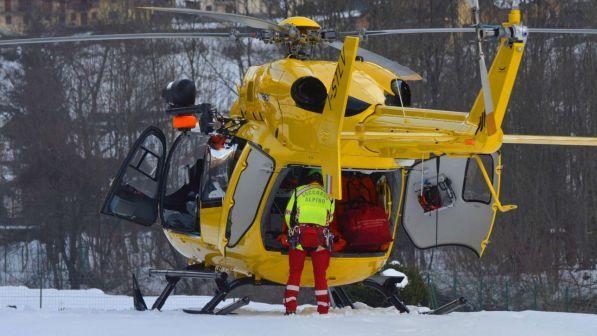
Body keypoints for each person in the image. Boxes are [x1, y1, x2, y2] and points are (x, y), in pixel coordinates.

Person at [283, 168, 335, 315]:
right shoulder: (330, 194)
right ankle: (323, 309)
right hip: (320, 238)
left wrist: (291, 229)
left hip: (301, 236)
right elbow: (330, 217)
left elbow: (288, 214)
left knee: (295, 272)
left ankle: (290, 308)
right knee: (320, 275)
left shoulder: (298, 191)